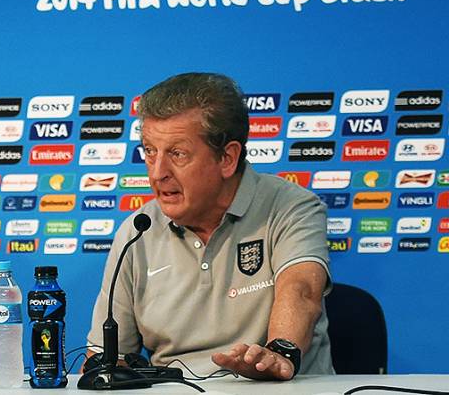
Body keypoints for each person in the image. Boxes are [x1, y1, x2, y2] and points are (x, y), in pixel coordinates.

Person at [86, 72, 333, 380]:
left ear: (227, 158)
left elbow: (302, 291)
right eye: (150, 151)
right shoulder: (138, 230)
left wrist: (279, 353)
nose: (158, 173)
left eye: (177, 153)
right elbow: (108, 358)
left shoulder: (289, 207)